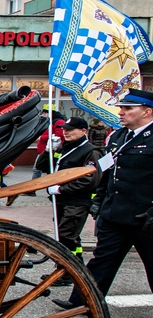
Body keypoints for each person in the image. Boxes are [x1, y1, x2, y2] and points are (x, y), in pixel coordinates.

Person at [54, 90, 153, 310]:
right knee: (101, 262)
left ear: (147, 112)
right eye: (122, 108)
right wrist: (99, 202)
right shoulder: (118, 137)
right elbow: (107, 172)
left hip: (145, 217)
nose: (122, 112)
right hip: (115, 214)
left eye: (128, 109)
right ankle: (82, 302)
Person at [36, 117, 101, 281]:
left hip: (76, 202)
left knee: (65, 236)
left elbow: (90, 180)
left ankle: (65, 273)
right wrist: (48, 151)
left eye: (71, 130)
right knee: (69, 239)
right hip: (61, 201)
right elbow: (42, 166)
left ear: (83, 131)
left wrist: (61, 189)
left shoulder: (90, 151)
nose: (66, 132)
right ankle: (75, 270)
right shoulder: (65, 148)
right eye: (65, 129)